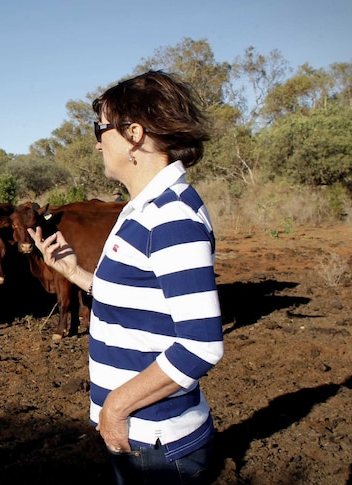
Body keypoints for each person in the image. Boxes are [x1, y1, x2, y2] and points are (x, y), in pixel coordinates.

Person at [28, 70, 224, 484]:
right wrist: (74, 272)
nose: (97, 141)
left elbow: (202, 344)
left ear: (133, 134)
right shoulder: (141, 208)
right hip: (142, 435)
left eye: (100, 128)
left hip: (158, 441)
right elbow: (141, 300)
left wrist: (116, 407)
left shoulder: (170, 217)